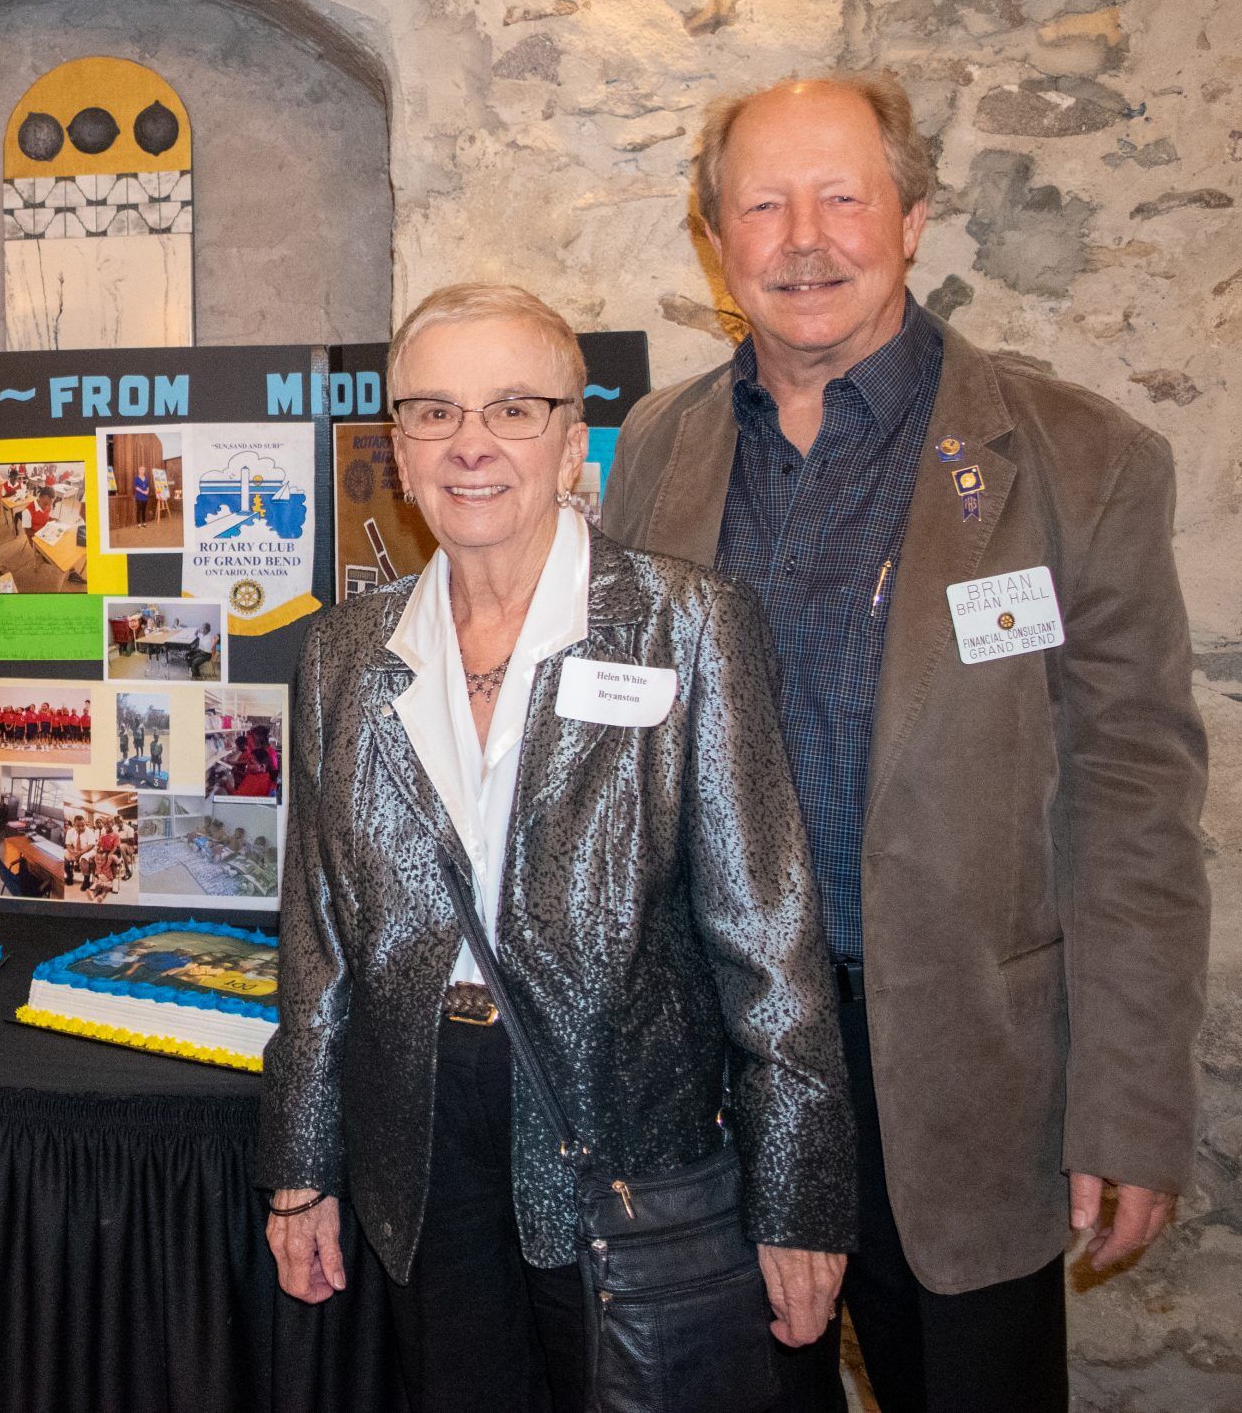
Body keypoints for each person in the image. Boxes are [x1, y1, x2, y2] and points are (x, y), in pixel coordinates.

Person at [603, 74, 1211, 1413]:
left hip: (957, 1081)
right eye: (762, 203)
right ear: (717, 238)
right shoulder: (658, 447)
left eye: (841, 195)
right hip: (718, 1069)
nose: (802, 236)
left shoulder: (1076, 459)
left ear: (914, 215)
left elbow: (1135, 803)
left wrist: (1131, 1103)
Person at [258, 283, 854, 1413]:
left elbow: (770, 941)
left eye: (512, 410)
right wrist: (299, 1172)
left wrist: (798, 1198)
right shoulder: (344, 653)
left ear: (574, 440)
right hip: (421, 1133)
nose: (470, 445)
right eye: (432, 413)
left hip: (631, 1130)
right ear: (397, 445)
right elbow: (318, 937)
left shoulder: (685, 624)